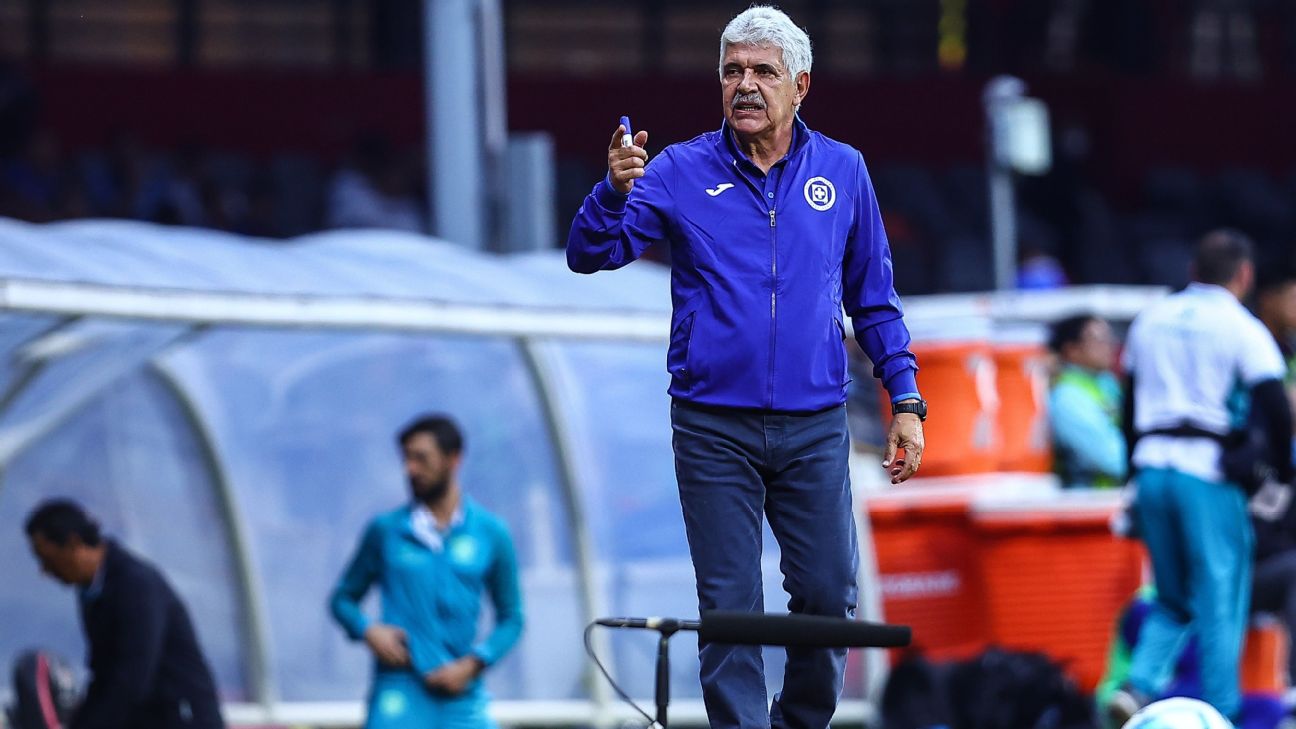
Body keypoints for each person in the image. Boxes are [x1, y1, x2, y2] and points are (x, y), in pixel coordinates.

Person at [565, 6, 925, 728]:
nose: (745, 85)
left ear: (801, 85)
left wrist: (907, 401)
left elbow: (874, 302)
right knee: (729, 605)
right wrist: (613, 191)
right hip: (711, 425)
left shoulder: (843, 171)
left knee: (828, 596)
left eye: (763, 71)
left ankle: (798, 722)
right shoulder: (676, 169)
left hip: (815, 422)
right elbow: (589, 254)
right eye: (732, 71)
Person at [1111, 230, 1295, 725]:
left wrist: (1133, 472)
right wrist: (1279, 474)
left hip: (1152, 468)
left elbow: (1128, 403)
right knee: (1220, 599)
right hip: (1207, 473)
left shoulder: (1150, 319)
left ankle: (1137, 685)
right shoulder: (1239, 325)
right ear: (1244, 275)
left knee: (1171, 594)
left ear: (1192, 272)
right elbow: (1275, 406)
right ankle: (1220, 713)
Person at [329, 414, 523, 729]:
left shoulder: (490, 532)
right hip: (399, 690)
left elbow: (512, 617)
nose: (411, 469)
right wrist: (368, 629)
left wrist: (474, 663)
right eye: (406, 459)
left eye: (421, 458)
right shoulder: (386, 530)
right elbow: (342, 599)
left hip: (460, 694)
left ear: (453, 459)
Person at [24, 499, 225, 729]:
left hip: (183, 718)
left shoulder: (135, 584)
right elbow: (104, 677)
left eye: (47, 559)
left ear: (73, 543)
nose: (45, 571)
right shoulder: (92, 590)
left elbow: (133, 676)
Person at [1047, 313, 1127, 489]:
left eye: (1110, 338)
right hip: (1086, 504)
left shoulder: (1106, 383)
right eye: (1099, 340)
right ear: (1072, 350)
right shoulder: (1067, 397)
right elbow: (1109, 458)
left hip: (1115, 499)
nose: (1110, 346)